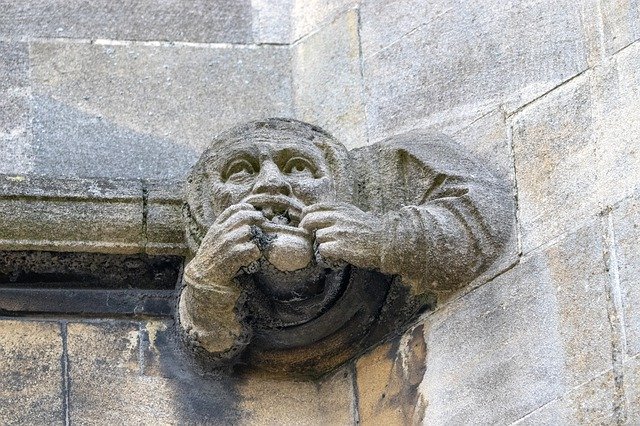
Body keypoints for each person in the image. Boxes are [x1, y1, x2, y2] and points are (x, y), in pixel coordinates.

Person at [179, 118, 512, 376]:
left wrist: (383, 238)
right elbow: (212, 344)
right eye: (239, 172)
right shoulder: (209, 261)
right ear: (205, 208)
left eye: (298, 167)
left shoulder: (385, 178)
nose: (271, 182)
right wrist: (205, 282)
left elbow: (484, 213)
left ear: (338, 183)